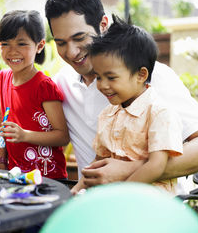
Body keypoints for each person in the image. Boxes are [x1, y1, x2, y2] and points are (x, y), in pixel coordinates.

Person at [45, 0, 198, 192]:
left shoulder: (148, 77)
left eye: (79, 38)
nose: (72, 52)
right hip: (98, 208)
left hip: (157, 206)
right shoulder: (62, 84)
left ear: (103, 24)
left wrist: (131, 170)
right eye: (61, 43)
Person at [74, 15, 183, 193]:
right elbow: (99, 161)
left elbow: (157, 165)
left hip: (149, 202)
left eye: (111, 77)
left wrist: (122, 194)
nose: (102, 85)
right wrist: (76, 191)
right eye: (99, 77)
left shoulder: (159, 112)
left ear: (141, 75)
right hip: (114, 200)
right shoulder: (108, 113)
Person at [0, 10, 69, 180]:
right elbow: (2, 126)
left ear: (40, 45)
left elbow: (62, 136)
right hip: (15, 174)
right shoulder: (3, 78)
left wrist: (24, 135)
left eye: (21, 44)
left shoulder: (44, 86)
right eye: (5, 44)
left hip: (48, 177)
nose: (12, 51)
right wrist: (0, 159)